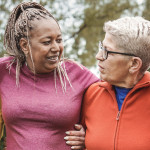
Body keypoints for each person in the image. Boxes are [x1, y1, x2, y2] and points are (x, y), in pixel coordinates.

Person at [0, 2, 99, 150]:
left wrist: (92, 136)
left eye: (59, 40)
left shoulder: (77, 74)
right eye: (47, 42)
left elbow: (111, 101)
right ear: (25, 45)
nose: (56, 48)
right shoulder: (5, 69)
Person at [65, 16, 150, 150]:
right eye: (101, 47)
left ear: (134, 64)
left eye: (107, 51)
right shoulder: (91, 93)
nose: (98, 56)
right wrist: (85, 142)